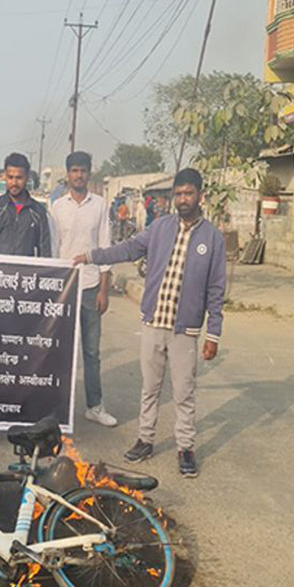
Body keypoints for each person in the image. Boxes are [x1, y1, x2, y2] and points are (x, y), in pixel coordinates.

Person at [75, 168, 226, 478]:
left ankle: (186, 448)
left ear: (200, 195)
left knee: (183, 392)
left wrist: (214, 333)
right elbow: (128, 248)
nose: (183, 199)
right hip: (153, 322)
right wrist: (93, 255)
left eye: (189, 194)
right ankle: (145, 439)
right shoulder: (160, 227)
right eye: (179, 194)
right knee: (150, 387)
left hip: (186, 330)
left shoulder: (212, 238)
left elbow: (216, 289)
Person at [51, 151, 116, 428]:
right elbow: (53, 250)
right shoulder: (56, 207)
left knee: (91, 351)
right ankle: (56, 408)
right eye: (74, 170)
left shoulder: (100, 205)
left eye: (83, 171)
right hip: (65, 286)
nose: (79, 175)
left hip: (90, 286)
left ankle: (95, 406)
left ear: (90, 173)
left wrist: (104, 289)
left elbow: (105, 248)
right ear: (67, 174)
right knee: (60, 351)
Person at [0, 153, 51, 257]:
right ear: (5, 177)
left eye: (19, 178)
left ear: (27, 177)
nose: (14, 183)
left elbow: (44, 251)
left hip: (25, 272)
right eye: (10, 177)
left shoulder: (38, 212)